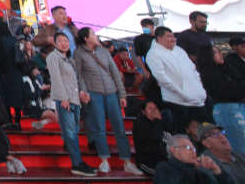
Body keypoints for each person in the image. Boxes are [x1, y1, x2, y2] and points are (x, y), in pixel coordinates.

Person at [73, 27, 143, 175]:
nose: (96, 36)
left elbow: (115, 73)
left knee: (119, 127)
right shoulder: (79, 53)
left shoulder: (104, 51)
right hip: (94, 93)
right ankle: (104, 160)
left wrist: (122, 94)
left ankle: (127, 161)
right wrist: (84, 91)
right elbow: (79, 75)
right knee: (99, 128)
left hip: (111, 92)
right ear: (86, 38)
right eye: (93, 34)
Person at [47, 32, 97, 176]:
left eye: (66, 40)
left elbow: (77, 78)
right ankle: (77, 163)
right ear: (55, 44)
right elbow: (56, 78)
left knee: (73, 132)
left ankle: (78, 162)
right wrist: (63, 98)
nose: (64, 43)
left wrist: (82, 92)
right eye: (60, 41)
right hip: (65, 101)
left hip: (75, 100)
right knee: (70, 134)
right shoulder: (53, 57)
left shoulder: (70, 60)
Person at [146, 26, 208, 133]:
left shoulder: (179, 50)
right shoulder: (153, 54)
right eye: (169, 36)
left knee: (202, 131)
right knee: (183, 132)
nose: (173, 39)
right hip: (176, 101)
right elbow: (162, 78)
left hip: (197, 99)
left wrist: (200, 89)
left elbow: (193, 69)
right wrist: (181, 93)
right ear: (159, 38)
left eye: (173, 36)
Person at [197, 45, 245, 156]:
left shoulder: (227, 68)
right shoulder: (209, 74)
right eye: (216, 53)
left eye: (219, 52)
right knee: (239, 143)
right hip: (226, 108)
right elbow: (226, 91)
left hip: (238, 106)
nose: (220, 55)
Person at [155, 134, 235, 184]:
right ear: (174, 150)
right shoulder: (164, 168)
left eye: (194, 149)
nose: (193, 152)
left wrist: (217, 171)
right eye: (188, 147)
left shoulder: (201, 175)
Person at [0, 21, 24, 130]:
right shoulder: (14, 40)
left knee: (6, 98)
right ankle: (18, 121)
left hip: (3, 74)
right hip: (15, 73)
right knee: (17, 98)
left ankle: (9, 120)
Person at [133, 100, 168, 175]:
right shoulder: (140, 122)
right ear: (143, 112)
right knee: (164, 173)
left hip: (161, 160)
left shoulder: (160, 121)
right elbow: (155, 138)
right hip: (146, 162)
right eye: (150, 109)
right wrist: (157, 120)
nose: (153, 111)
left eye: (155, 108)